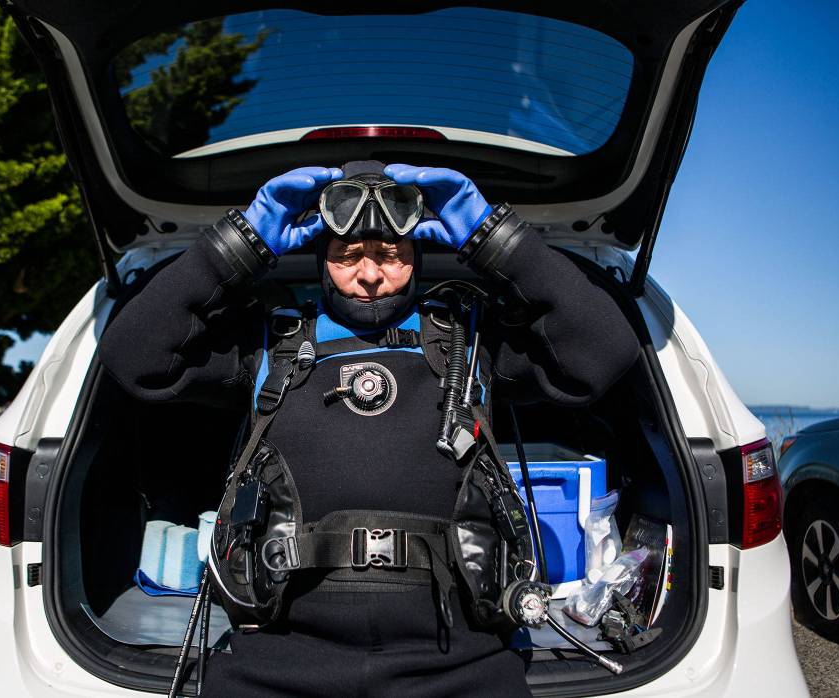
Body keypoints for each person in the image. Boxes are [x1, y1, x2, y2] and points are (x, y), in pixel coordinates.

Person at [99, 161, 639, 696]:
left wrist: (493, 236)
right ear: (320, 256)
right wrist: (241, 241)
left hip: (462, 661)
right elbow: (133, 357)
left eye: (391, 255)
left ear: (417, 253)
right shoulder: (271, 342)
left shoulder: (470, 343)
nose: (371, 275)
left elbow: (603, 353)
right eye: (348, 255)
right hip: (275, 657)